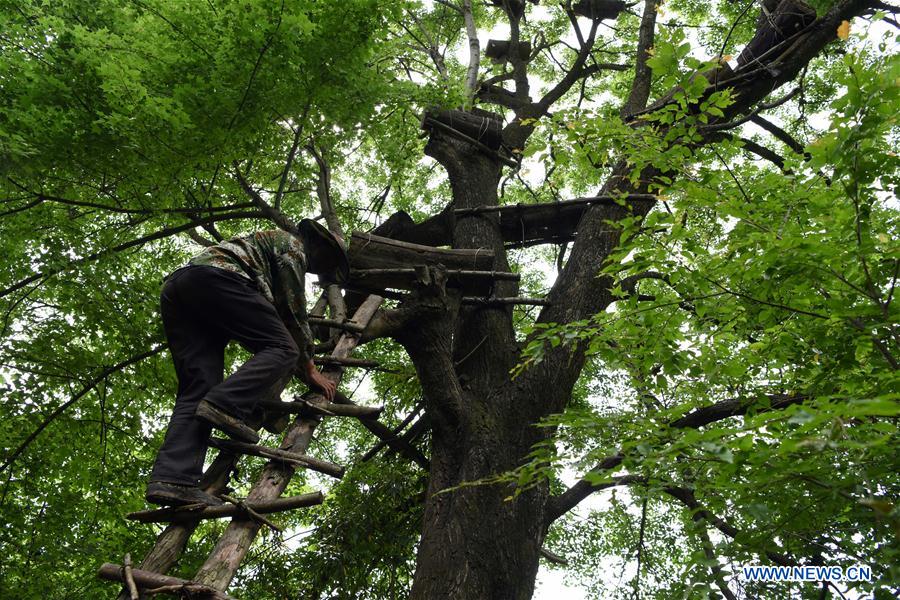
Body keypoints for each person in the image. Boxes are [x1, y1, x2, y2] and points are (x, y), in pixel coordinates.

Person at [145, 219, 349, 507]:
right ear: (319, 245)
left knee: (198, 388)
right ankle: (224, 405)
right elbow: (292, 310)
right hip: (218, 279)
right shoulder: (292, 246)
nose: (323, 269)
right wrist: (310, 367)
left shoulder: (266, 248)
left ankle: (171, 480)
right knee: (283, 348)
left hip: (181, 288)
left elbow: (259, 321)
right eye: (329, 261)